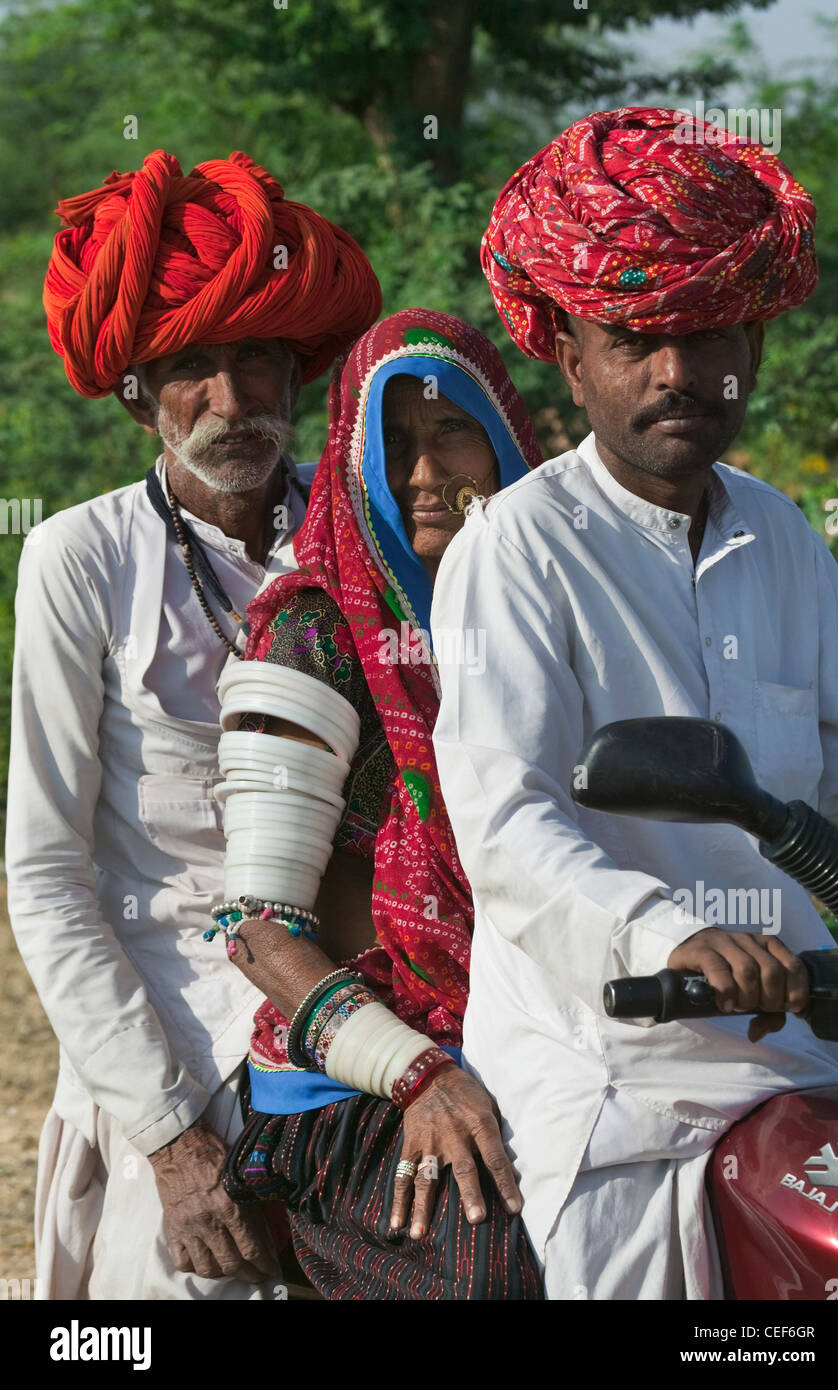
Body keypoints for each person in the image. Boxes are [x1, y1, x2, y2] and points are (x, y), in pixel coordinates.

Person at [430, 107, 838, 1300]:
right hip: (615, 1069)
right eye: (636, 337)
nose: (679, 372)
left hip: (808, 1038)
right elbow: (508, 823)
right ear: (567, 353)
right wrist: (666, 934)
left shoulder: (783, 536)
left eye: (710, 333)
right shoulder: (515, 550)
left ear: (755, 341)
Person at [6, 148, 380, 1300]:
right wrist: (174, 1144)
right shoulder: (85, 556)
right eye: (190, 370)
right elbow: (47, 874)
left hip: (366, 1032)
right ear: (136, 391)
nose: (230, 404)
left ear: (296, 371)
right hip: (173, 1051)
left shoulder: (362, 536)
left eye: (257, 361)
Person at [217, 308, 544, 1299]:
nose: (422, 472)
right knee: (493, 1259)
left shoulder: (566, 608)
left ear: (505, 438)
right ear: (352, 460)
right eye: (391, 443)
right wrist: (415, 1071)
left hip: (548, 1023)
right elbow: (256, 928)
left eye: (449, 430)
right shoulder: (314, 628)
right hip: (363, 1066)